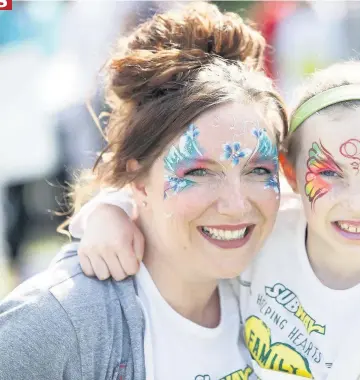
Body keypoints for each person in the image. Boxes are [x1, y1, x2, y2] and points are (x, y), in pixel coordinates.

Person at [70, 60, 360, 379]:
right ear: (289, 174)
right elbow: (153, 192)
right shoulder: (271, 223)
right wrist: (109, 214)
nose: (357, 203)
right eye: (330, 173)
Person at [0, 3, 289, 379]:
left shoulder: (283, 288)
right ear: (138, 180)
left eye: (258, 170)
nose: (236, 205)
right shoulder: (59, 319)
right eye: (200, 171)